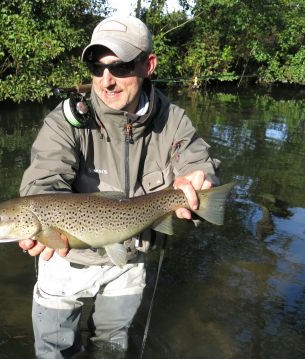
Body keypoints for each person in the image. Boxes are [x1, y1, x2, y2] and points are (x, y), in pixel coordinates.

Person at [18, 15, 219, 358]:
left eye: (121, 67)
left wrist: (200, 180)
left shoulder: (173, 121)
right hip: (68, 259)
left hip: (129, 260)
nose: (106, 80)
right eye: (97, 68)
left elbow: (197, 161)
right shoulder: (67, 121)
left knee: (111, 348)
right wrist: (37, 220)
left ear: (147, 65)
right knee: (54, 351)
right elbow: (44, 178)